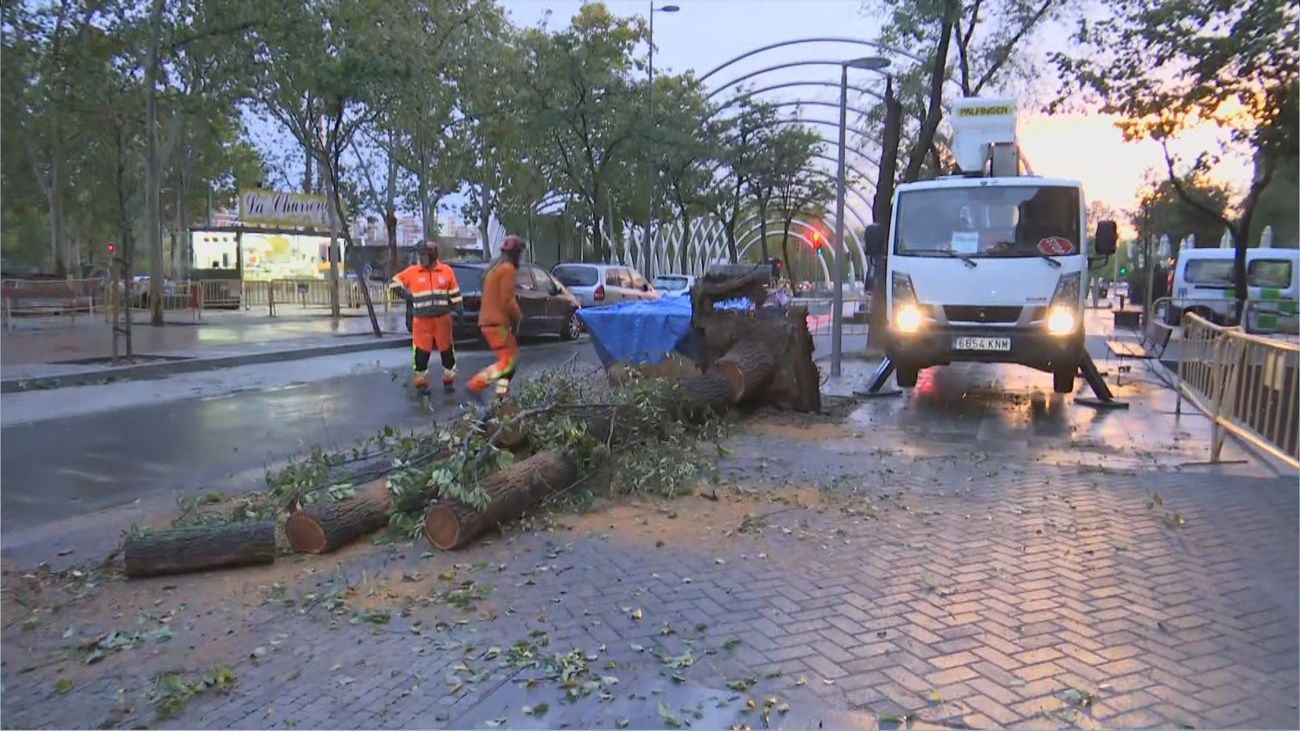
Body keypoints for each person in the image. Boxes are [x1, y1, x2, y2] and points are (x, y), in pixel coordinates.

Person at [389, 242, 463, 394]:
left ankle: (449, 381)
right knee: (421, 354)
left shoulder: (446, 271)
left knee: (447, 352)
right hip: (421, 322)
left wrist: (459, 310)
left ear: (433, 255)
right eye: (420, 255)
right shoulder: (413, 272)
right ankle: (421, 383)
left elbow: (455, 293)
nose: (421, 258)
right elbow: (393, 283)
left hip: (443, 320)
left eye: (424, 255)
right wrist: (406, 295)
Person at [468, 235, 525, 401]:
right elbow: (508, 299)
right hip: (497, 324)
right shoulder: (507, 269)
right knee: (508, 361)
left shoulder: (493, 270)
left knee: (509, 360)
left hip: (489, 323)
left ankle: (502, 394)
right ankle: (476, 384)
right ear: (516, 254)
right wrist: (519, 316)